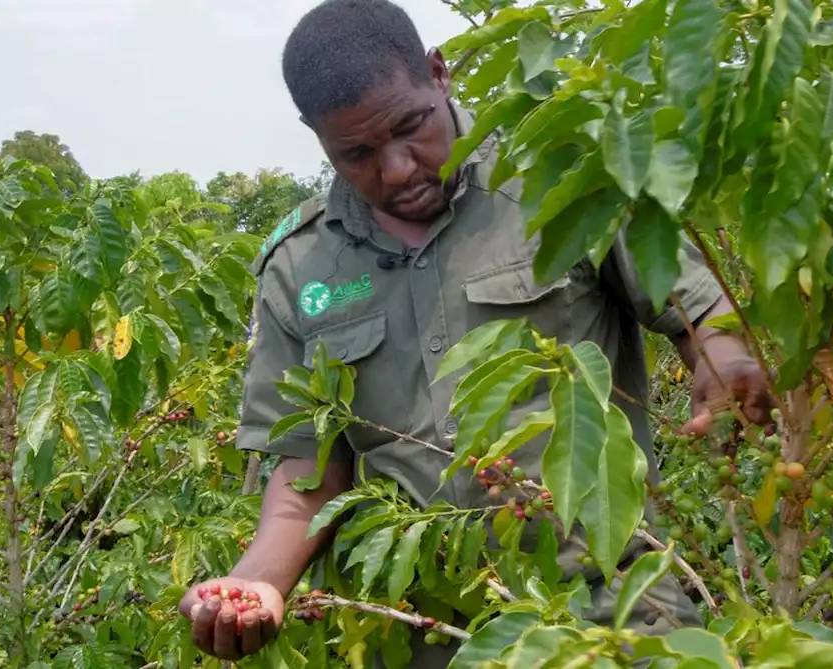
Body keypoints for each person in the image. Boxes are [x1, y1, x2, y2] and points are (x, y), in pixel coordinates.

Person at [178, 0, 772, 663]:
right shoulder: (300, 267)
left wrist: (724, 361)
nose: (398, 168)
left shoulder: (561, 177)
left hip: (615, 608)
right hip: (429, 634)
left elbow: (696, 310)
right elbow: (307, 473)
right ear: (314, 135)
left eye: (411, 128)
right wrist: (256, 583)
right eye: (357, 153)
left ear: (439, 74)